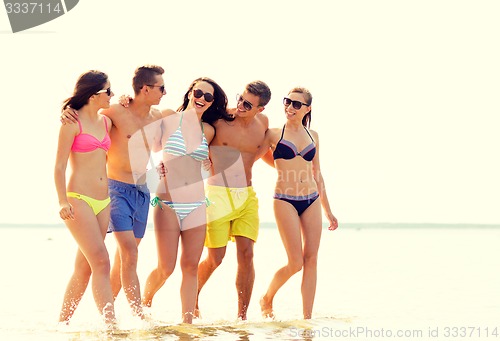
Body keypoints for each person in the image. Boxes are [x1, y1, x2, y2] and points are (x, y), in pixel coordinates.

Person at [60, 65, 172, 320]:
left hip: (141, 192)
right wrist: (68, 112)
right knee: (123, 254)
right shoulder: (115, 112)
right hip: (112, 190)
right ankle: (133, 318)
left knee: (108, 262)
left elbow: (163, 142)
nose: (165, 92)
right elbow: (89, 114)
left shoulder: (157, 117)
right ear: (146, 88)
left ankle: (75, 322)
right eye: (161, 87)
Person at [141, 77, 228, 324]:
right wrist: (152, 169)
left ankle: (186, 325)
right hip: (167, 202)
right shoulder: (169, 116)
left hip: (198, 204)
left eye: (208, 97)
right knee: (166, 268)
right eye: (199, 92)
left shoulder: (209, 131)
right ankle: (144, 306)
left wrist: (209, 166)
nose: (202, 98)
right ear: (190, 92)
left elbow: (209, 165)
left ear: (212, 103)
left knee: (190, 267)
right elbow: (144, 133)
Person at [258, 87, 338, 320]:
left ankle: (307, 320)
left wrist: (328, 211)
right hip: (285, 199)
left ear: (307, 109)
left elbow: (317, 173)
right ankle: (267, 298)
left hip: (311, 199)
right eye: (287, 102)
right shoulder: (274, 134)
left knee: (311, 259)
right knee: (295, 263)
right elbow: (253, 156)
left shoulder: (314, 136)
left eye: (296, 104)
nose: (290, 107)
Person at [196, 80, 272, 320]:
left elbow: (260, 152)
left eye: (247, 104)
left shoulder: (264, 124)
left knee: (247, 254)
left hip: (246, 196)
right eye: (240, 98)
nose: (240, 105)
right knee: (215, 258)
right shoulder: (219, 119)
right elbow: (188, 122)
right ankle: (192, 296)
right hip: (218, 195)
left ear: (260, 109)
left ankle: (242, 317)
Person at [54, 70, 116, 326]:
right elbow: (59, 166)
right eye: (108, 91)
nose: (111, 95)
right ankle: (111, 326)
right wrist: (62, 201)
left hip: (104, 202)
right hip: (78, 199)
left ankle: (62, 324)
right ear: (93, 95)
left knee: (85, 266)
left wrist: (122, 100)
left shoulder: (106, 122)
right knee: (101, 260)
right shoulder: (71, 122)